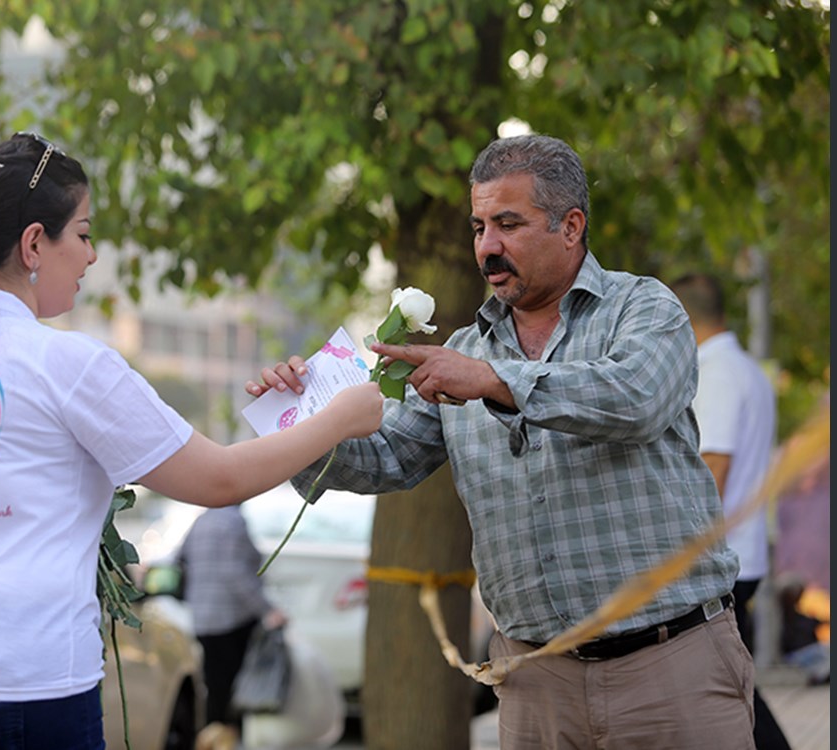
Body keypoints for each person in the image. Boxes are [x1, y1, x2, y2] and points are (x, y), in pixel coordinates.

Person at [0, 133, 384, 750]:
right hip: (13, 695)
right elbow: (219, 479)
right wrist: (338, 418)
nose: (92, 257)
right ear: (35, 243)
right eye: (85, 234)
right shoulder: (69, 365)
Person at [247, 134, 755, 749]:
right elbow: (384, 460)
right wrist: (299, 419)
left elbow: (635, 399)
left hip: (669, 668)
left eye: (508, 223)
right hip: (534, 684)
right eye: (479, 225)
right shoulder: (463, 352)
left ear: (571, 227)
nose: (488, 246)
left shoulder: (645, 309)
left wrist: (494, 381)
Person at [670, 272, 790, 750]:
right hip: (742, 552)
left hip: (718, 560)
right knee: (728, 688)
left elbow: (711, 471)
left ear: (678, 318)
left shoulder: (715, 374)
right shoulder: (746, 369)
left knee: (723, 691)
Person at [178, 506, 287, 746]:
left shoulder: (202, 521)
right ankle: (225, 740)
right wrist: (267, 609)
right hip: (231, 618)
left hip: (203, 616)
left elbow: (180, 557)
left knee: (214, 685)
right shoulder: (233, 522)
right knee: (232, 691)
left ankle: (212, 739)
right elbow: (236, 573)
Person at [776, 573, 830, 686]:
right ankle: (819, 675)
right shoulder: (778, 619)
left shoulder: (798, 616)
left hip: (808, 653)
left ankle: (821, 673)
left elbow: (816, 622)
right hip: (794, 655)